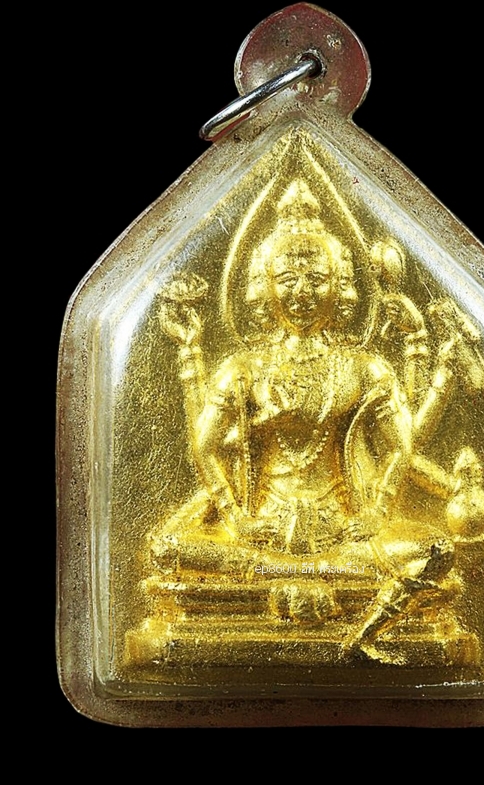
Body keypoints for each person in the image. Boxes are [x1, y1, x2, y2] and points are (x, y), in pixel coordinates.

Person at [150, 180, 455, 639]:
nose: (302, 293)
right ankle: (313, 579)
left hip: (345, 535)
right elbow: (205, 445)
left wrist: (377, 511)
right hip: (262, 534)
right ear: (264, 286)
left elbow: (400, 447)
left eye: (316, 279)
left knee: (434, 548)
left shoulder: (365, 368)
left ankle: (282, 579)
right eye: (287, 280)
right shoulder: (243, 368)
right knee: (168, 549)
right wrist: (234, 518)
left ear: (340, 286)